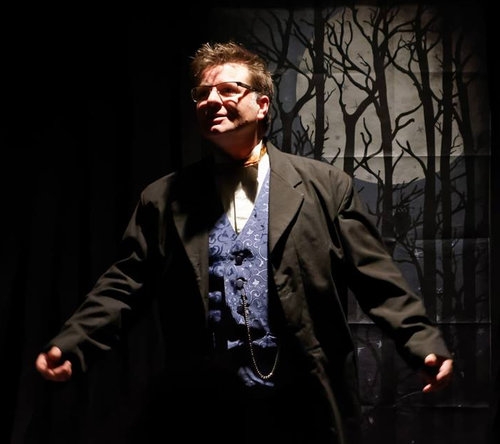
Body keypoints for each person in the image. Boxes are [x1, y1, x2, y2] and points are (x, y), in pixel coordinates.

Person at [35, 41, 453, 444]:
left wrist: (420, 343)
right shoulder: (162, 198)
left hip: (302, 401)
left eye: (228, 89)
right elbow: (125, 284)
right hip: (204, 405)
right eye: (202, 93)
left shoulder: (326, 187)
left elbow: (375, 278)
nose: (211, 100)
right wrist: (74, 343)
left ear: (262, 105)